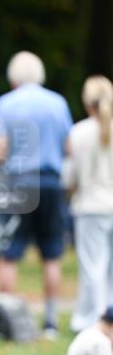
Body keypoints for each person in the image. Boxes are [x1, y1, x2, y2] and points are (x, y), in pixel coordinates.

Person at [0, 51, 73, 339]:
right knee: (51, 253)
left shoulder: (6, 104)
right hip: (51, 182)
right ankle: (50, 321)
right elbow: (69, 147)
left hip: (19, 183)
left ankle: (7, 321)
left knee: (9, 252)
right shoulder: (58, 102)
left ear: (14, 77)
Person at [64, 76, 113, 332]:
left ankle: (95, 320)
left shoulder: (79, 132)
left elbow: (70, 177)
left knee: (93, 267)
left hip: (91, 207)